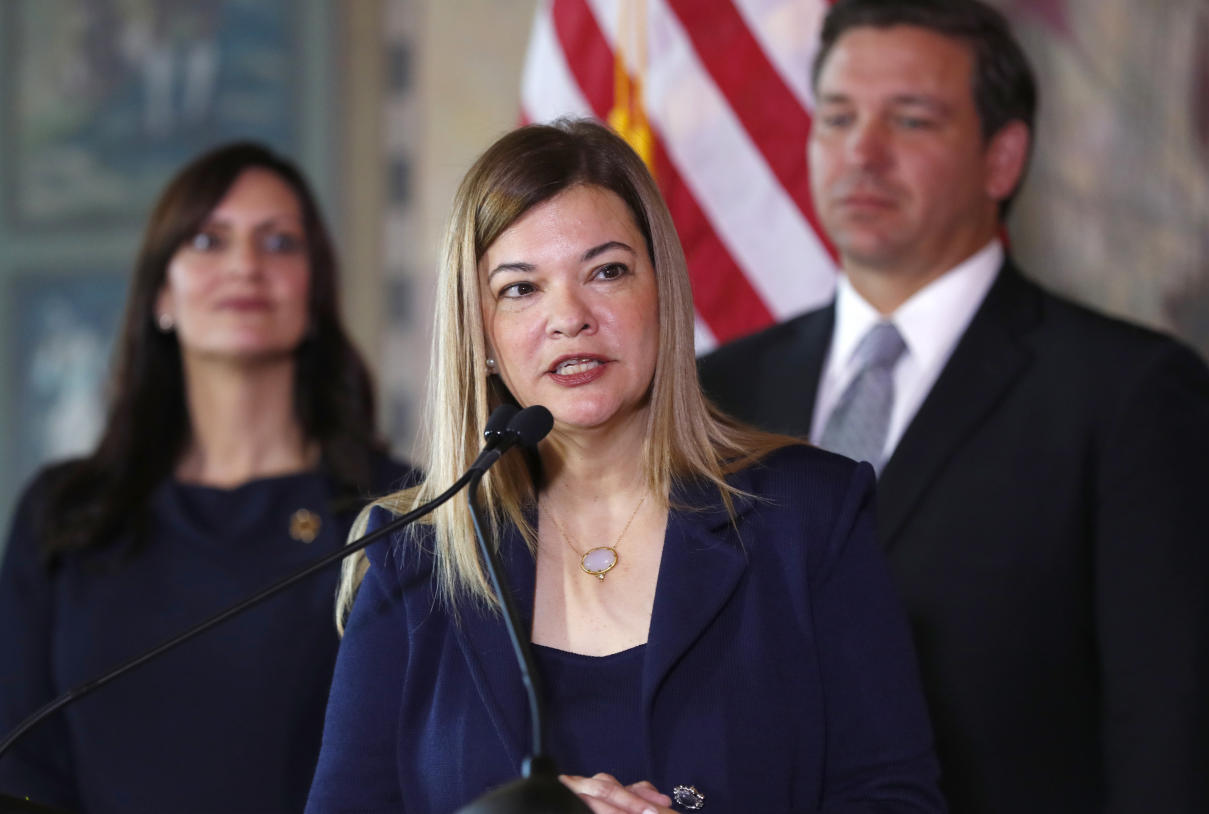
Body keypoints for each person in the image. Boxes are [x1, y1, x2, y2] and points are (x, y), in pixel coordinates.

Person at [306, 119, 945, 814]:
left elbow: (895, 800)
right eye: (521, 289)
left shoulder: (808, 516)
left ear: (661, 294)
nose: (570, 317)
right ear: (481, 336)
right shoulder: (411, 556)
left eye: (606, 272)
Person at [698, 1, 1209, 811]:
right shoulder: (718, 393)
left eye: (910, 121)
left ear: (1003, 158)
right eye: (838, 117)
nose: (862, 153)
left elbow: (1180, 740)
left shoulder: (1134, 397)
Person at [0, 142, 408, 813]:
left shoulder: (395, 511)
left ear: (315, 292)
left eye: (278, 243)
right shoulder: (64, 513)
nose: (246, 266)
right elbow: (20, 766)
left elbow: (428, 759)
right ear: (163, 293)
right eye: (208, 240)